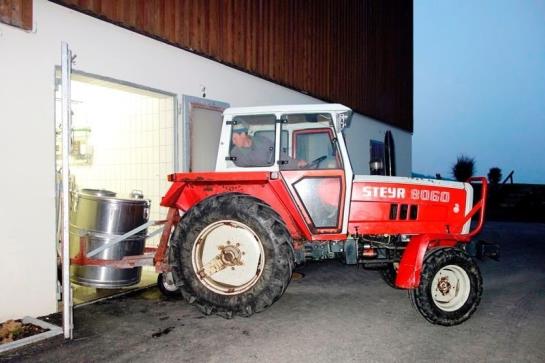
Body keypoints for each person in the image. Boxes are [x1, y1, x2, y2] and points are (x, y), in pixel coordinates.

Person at [230, 121, 307, 168]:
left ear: (243, 134)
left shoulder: (262, 141)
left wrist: (296, 164)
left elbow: (278, 156)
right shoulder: (235, 154)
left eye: (234, 138)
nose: (233, 142)